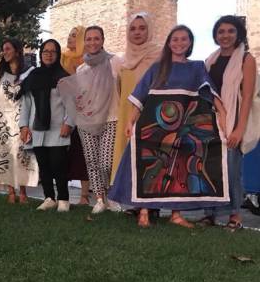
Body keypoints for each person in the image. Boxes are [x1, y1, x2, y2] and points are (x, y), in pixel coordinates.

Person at [108, 25, 228, 228]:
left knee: (179, 169)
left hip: (183, 127)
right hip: (153, 125)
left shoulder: (197, 67)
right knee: (149, 165)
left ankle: (176, 215)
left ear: (190, 42)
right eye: (175, 39)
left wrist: (222, 114)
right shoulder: (158, 67)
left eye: (183, 39)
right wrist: (130, 121)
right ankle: (143, 212)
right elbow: (140, 95)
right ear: (169, 43)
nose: (179, 43)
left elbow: (210, 92)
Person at [199, 16, 258, 229]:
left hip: (233, 122)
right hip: (210, 122)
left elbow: (248, 96)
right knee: (209, 169)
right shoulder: (210, 61)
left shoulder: (246, 59)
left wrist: (239, 129)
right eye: (221, 31)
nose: (225, 35)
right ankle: (209, 214)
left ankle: (235, 216)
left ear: (238, 33)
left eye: (230, 31)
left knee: (231, 171)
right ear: (215, 35)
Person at [57, 26, 122, 214]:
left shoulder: (115, 62)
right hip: (87, 121)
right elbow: (80, 97)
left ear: (102, 40)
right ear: (84, 42)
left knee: (106, 163)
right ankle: (100, 199)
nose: (92, 42)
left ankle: (111, 196)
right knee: (92, 162)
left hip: (111, 117)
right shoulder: (82, 69)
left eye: (96, 38)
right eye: (89, 39)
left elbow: (124, 87)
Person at [0, 38, 38, 203]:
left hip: (21, 118)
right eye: (3, 49)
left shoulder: (30, 72)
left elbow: (32, 98)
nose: (4, 52)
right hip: (1, 119)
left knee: (21, 153)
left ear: (17, 51)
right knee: (4, 153)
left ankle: (23, 192)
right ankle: (11, 192)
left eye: (7, 49)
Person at [19, 39, 72, 212]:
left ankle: (63, 199)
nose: (49, 55)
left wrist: (68, 123)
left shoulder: (64, 78)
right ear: (41, 54)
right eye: (45, 51)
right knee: (44, 165)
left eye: (52, 51)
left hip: (58, 128)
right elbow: (26, 103)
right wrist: (23, 126)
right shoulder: (33, 76)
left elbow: (71, 104)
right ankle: (49, 197)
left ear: (58, 54)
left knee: (58, 164)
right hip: (37, 129)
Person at [112, 12, 160, 181]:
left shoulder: (159, 55)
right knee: (128, 157)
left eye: (142, 28)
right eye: (132, 29)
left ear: (149, 30)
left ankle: (148, 196)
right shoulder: (122, 60)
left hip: (151, 113)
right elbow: (119, 89)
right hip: (127, 113)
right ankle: (128, 194)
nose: (137, 32)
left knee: (149, 158)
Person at [60, 25, 90, 205]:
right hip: (60, 111)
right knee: (62, 155)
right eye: (69, 34)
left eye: (74, 35)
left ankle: (84, 196)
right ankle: (60, 194)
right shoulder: (62, 58)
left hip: (82, 114)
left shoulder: (87, 61)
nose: (70, 38)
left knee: (82, 155)